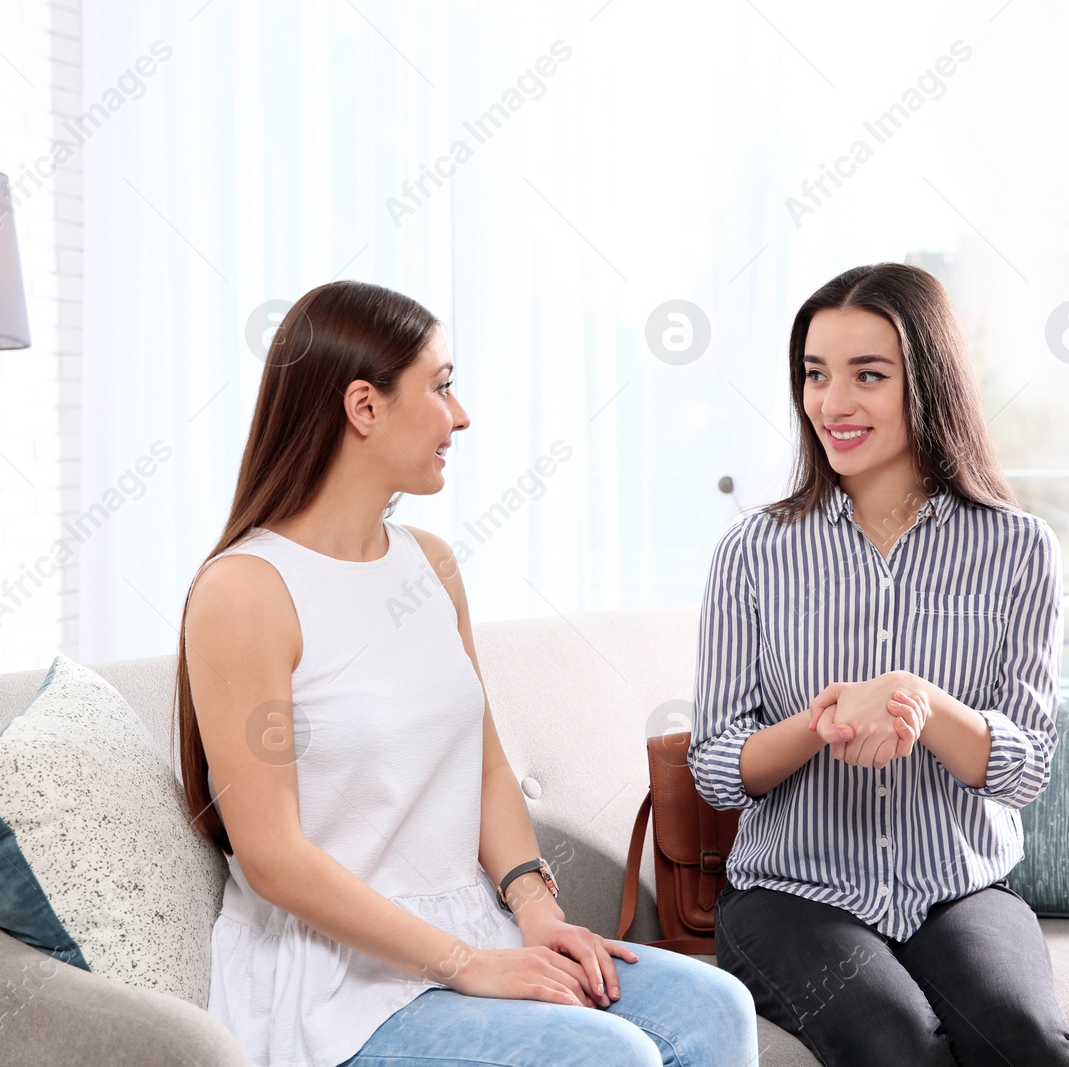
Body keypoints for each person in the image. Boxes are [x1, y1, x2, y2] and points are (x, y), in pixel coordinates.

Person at [176, 280, 756, 1067]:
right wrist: (467, 963)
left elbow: (484, 764)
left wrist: (538, 910)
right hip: (334, 979)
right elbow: (274, 857)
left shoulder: (431, 564)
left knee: (716, 1003)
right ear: (363, 407)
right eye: (442, 385)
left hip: (476, 931)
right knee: (604, 1056)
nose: (462, 414)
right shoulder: (245, 591)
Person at [691, 262, 1069, 1066]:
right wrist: (822, 720)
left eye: (868, 374)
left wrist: (917, 701)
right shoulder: (752, 552)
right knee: (891, 1039)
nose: (833, 403)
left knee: (1028, 1041)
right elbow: (718, 768)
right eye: (815, 374)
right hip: (789, 891)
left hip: (959, 885)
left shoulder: (1016, 548)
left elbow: (1027, 767)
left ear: (929, 381)